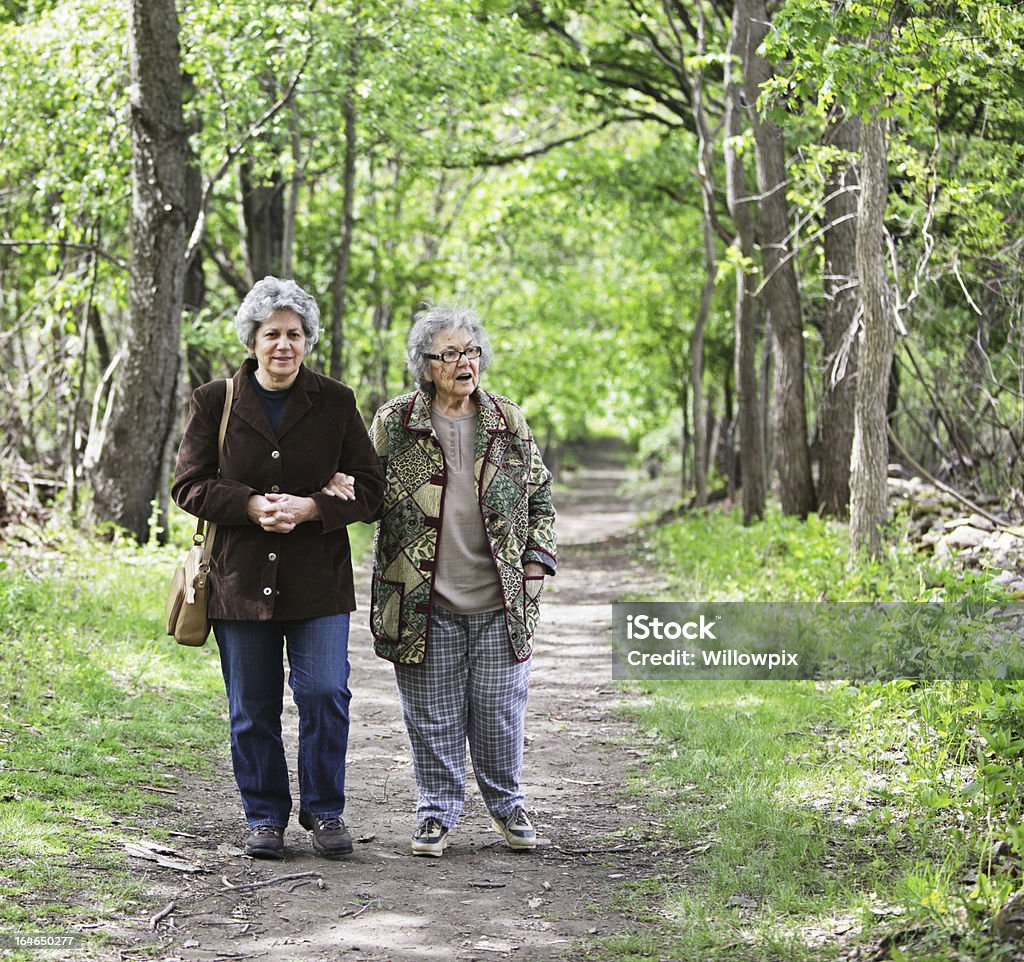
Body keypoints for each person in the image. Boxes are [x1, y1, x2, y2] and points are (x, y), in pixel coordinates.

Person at [172, 276, 385, 860]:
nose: (283, 345)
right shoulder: (214, 401)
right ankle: (264, 817)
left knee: (324, 692)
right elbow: (188, 485)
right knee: (251, 705)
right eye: (272, 334)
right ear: (252, 340)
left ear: (308, 340)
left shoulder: (336, 401)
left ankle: (325, 812)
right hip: (238, 581)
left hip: (317, 580)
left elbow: (371, 490)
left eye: (294, 334)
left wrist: (315, 506)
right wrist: (247, 505)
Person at [364, 303, 556, 857]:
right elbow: (366, 492)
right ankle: (436, 812)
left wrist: (537, 562)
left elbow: (540, 496)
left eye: (470, 351)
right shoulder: (394, 423)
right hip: (420, 598)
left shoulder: (508, 420)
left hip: (500, 599)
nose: (463, 363)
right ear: (426, 365)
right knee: (431, 714)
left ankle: (507, 804)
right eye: (449, 354)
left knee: (499, 710)